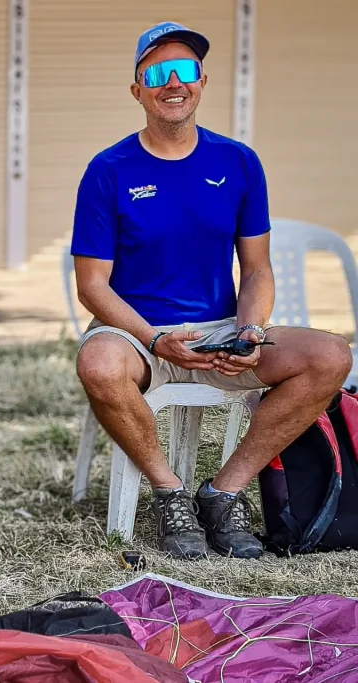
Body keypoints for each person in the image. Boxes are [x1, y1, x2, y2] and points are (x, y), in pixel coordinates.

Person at [71, 22, 353, 560]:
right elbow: (92, 286)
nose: (171, 82)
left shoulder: (238, 162)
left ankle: (222, 494)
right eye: (157, 72)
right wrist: (154, 340)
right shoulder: (108, 170)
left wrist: (251, 329)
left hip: (222, 331)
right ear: (138, 90)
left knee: (329, 355)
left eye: (183, 70)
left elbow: (257, 270)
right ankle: (169, 493)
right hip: (136, 334)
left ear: (201, 82)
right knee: (99, 365)